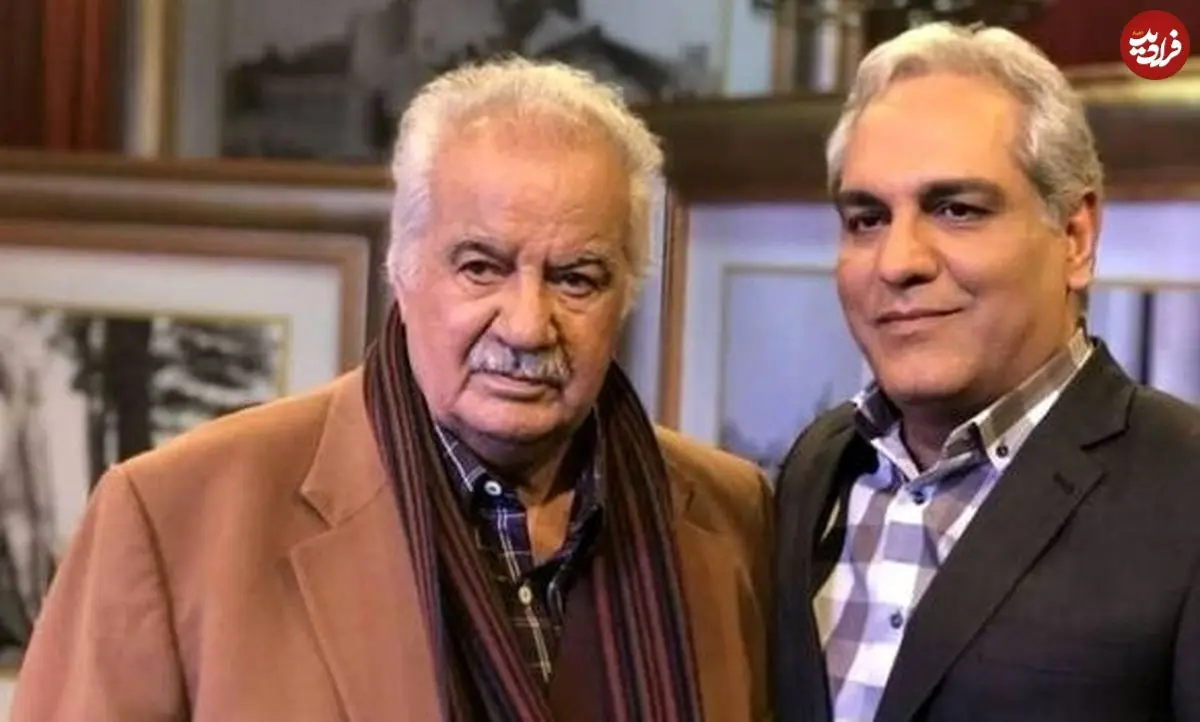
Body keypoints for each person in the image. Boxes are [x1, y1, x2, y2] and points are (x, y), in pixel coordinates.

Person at [14, 58, 773, 722]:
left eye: (576, 278)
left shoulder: (732, 517)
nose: (525, 324)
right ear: (401, 270)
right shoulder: (173, 518)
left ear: (626, 294)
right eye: (481, 268)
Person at [773, 21, 1200, 722]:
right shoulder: (817, 465)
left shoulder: (1185, 487)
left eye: (956, 210)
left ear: (1075, 237)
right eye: (867, 219)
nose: (898, 262)